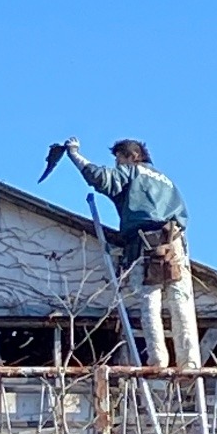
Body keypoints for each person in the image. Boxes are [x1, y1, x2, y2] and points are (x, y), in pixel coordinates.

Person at [64, 137, 201, 369]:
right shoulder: (166, 181)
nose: (117, 164)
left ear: (132, 157)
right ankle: (190, 362)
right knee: (181, 302)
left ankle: (157, 360)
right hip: (175, 243)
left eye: (120, 159)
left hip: (146, 245)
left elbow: (101, 178)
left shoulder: (132, 173)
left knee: (150, 301)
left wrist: (75, 155)